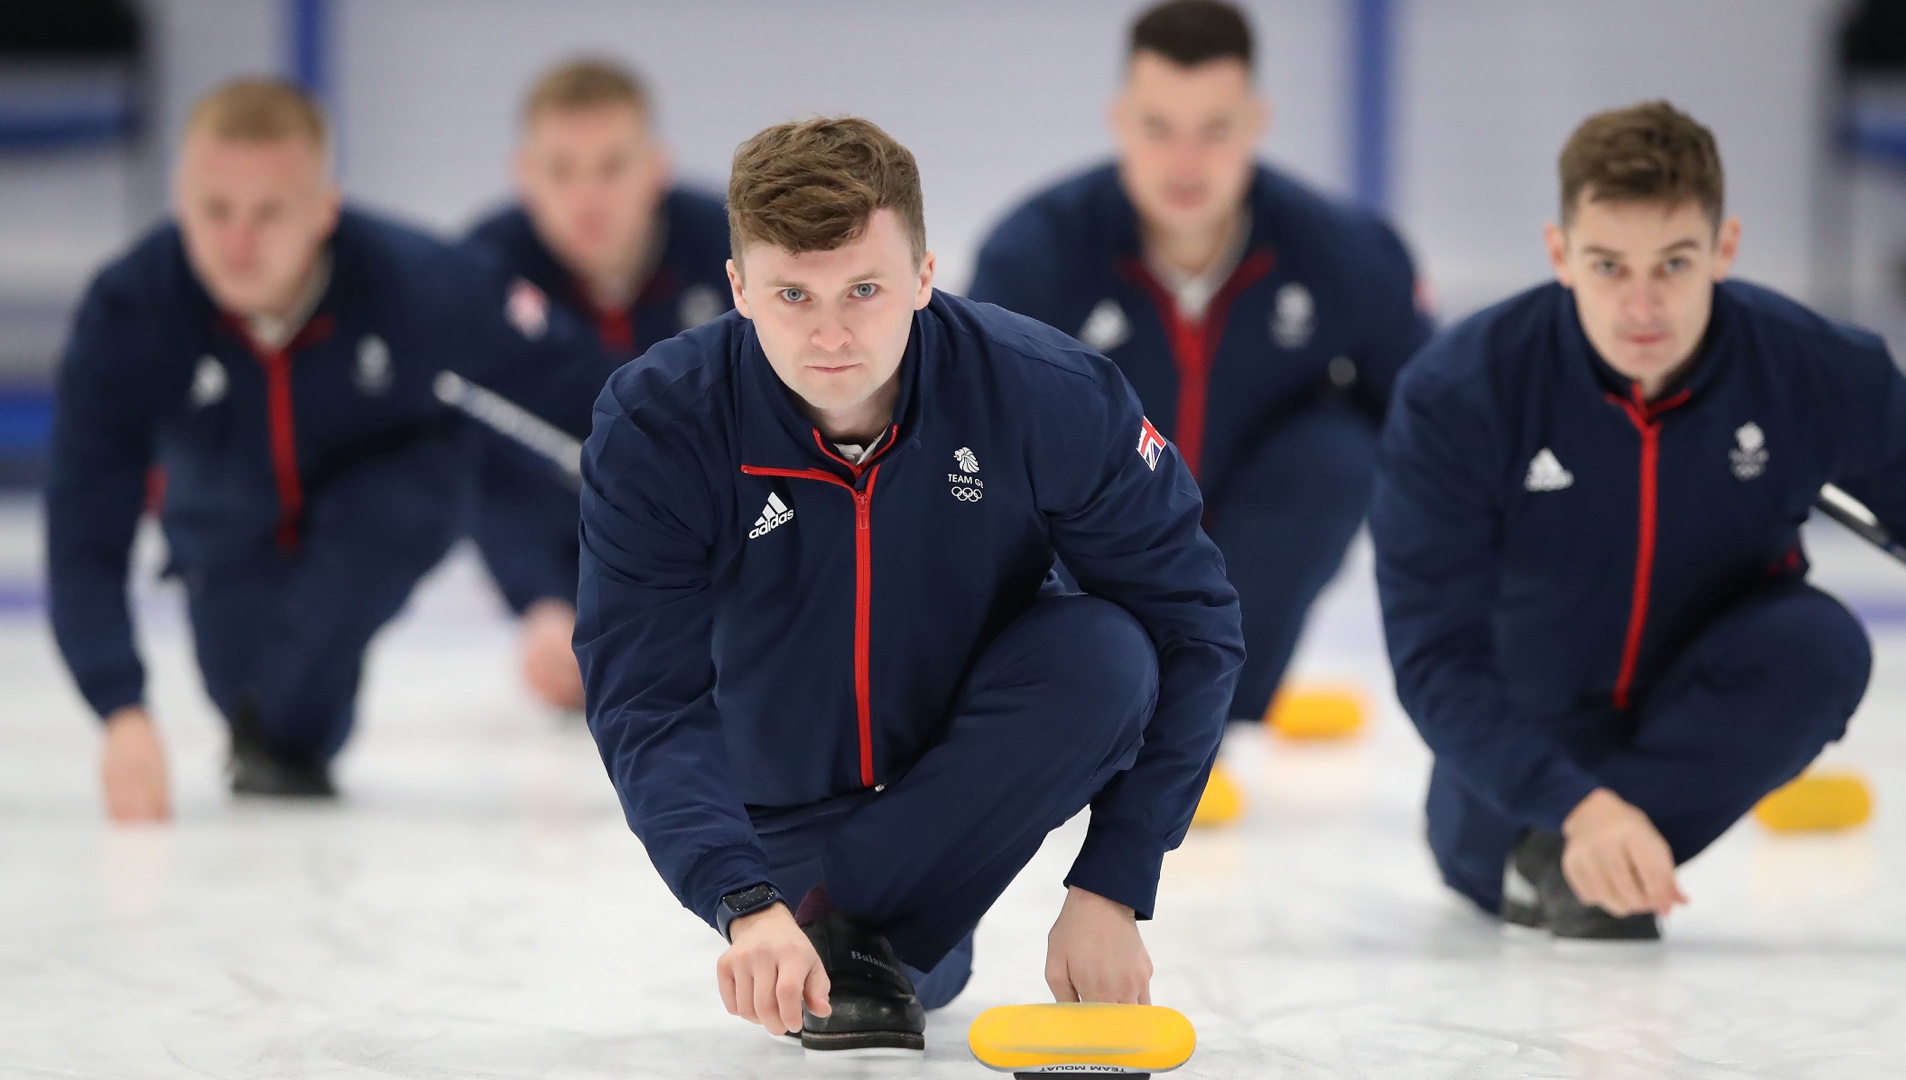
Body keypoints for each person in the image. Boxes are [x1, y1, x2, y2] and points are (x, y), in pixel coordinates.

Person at [575, 117, 1243, 1051]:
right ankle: (853, 924)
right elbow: (646, 694)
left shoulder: (1046, 393)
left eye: (864, 288)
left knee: (1108, 655)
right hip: (774, 816)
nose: (831, 333)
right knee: (917, 965)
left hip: (956, 770)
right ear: (738, 289)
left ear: (926, 274)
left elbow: (1193, 624)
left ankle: (861, 922)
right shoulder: (660, 425)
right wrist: (742, 897)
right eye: (791, 295)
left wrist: (1114, 881)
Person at [1372, 100, 1906, 940]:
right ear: (1559, 255)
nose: (1642, 305)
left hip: (1709, 692)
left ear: (1723, 248)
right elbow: (1434, 655)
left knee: (1820, 647)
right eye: (1607, 265)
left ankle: (1580, 875)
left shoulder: (1811, 371)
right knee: (1493, 827)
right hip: (1513, 777)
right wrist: (1577, 807)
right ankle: (1548, 854)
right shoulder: (1461, 394)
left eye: (1672, 263)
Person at [47, 79, 615, 819]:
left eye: (269, 212)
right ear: (181, 200)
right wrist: (120, 708)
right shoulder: (130, 310)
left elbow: (586, 390)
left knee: (374, 536)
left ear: (323, 210)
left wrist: (729, 479)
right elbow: (84, 524)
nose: (238, 242)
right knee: (276, 729)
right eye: (215, 211)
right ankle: (281, 720)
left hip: (393, 491)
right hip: (222, 521)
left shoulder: (417, 281)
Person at [971, 0, 1430, 723]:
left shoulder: (1345, 256)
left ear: (1255, 123)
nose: (1185, 163)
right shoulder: (1035, 258)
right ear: (1121, 120)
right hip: (1091, 548)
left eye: (1214, 129)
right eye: (1158, 128)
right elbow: (967, 443)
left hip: (1248, 546)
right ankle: (1082, 700)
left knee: (1341, 452)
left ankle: (1220, 715)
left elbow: (1430, 424)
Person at [462, 58, 730, 710]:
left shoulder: (734, 250)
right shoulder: (478, 273)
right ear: (525, 175)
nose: (587, 197)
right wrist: (543, 605)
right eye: (561, 169)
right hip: (560, 545)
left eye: (611, 166)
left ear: (656, 168)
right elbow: (482, 463)